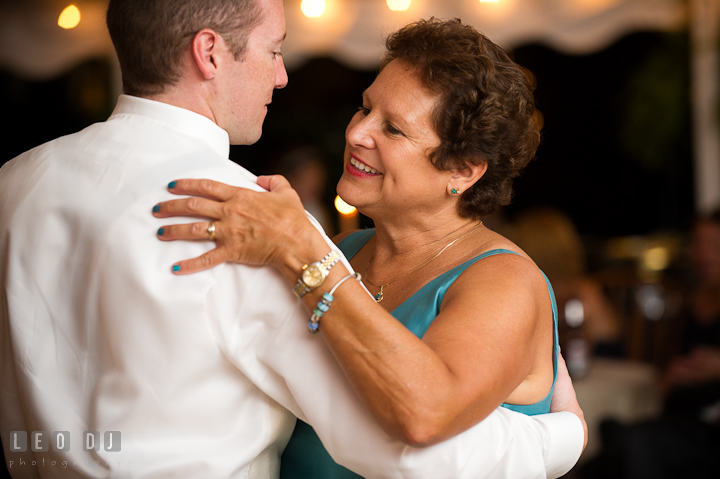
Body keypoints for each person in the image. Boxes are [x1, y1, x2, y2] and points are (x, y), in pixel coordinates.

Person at [0, 1, 585, 477]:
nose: (355, 133)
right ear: (209, 52)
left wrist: (304, 250)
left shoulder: (15, 180)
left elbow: (421, 421)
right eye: (364, 109)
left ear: (464, 170)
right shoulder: (285, 232)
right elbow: (406, 453)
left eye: (393, 128)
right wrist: (558, 441)